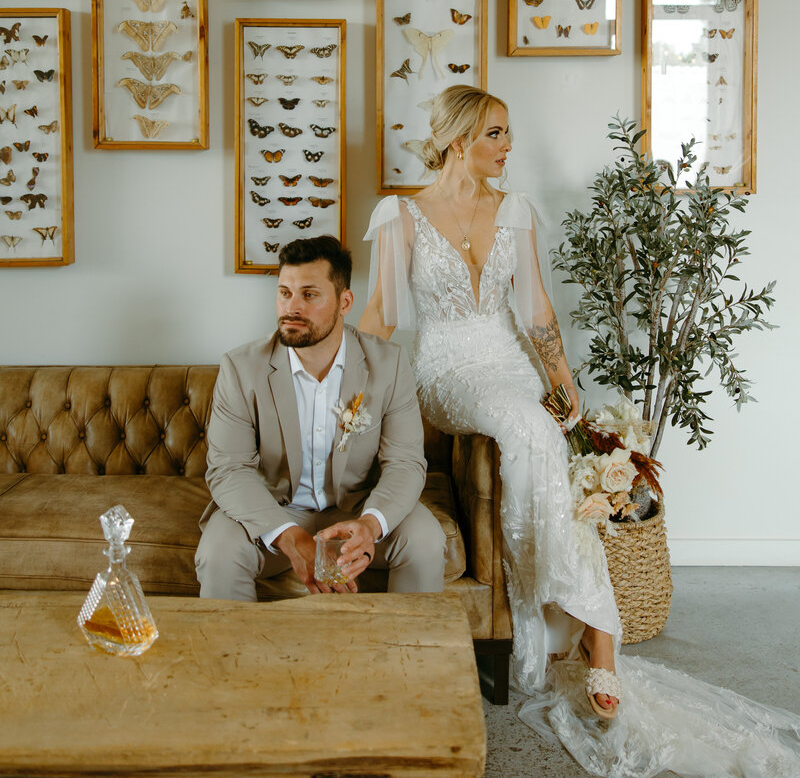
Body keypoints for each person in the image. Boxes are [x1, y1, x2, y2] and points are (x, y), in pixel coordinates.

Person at [360, 86, 800, 778]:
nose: (509, 146)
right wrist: (351, 391)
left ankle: (589, 629)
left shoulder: (515, 211)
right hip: (447, 372)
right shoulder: (401, 216)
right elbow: (381, 315)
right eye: (496, 133)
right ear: (458, 141)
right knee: (528, 427)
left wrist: (568, 394)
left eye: (509, 132)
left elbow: (536, 312)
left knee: (549, 440)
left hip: (511, 365)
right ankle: (597, 632)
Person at [196, 234, 446, 601]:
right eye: (285, 293)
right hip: (273, 510)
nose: (292, 307)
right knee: (218, 552)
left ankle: (406, 641)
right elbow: (228, 469)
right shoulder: (240, 367)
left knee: (426, 539)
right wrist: (290, 537)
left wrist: (370, 524)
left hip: (357, 509)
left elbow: (405, 462)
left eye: (309, 295)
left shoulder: (389, 364)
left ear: (345, 302)